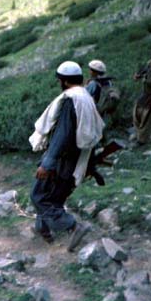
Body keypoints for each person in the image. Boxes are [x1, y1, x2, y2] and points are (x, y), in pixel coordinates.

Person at [29, 61, 104, 251]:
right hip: (77, 158)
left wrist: (47, 163)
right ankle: (42, 229)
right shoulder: (86, 96)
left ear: (63, 81)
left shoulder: (71, 99)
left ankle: (73, 226)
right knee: (53, 197)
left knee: (39, 196)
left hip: (62, 160)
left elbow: (63, 135)